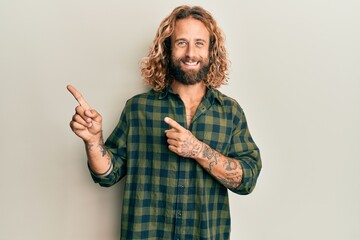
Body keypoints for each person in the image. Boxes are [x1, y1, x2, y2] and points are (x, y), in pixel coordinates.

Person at [68, 5, 261, 240]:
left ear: (211, 51)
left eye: (199, 43)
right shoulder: (138, 108)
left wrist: (198, 150)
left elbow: (247, 179)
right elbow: (107, 175)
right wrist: (93, 141)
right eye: (181, 42)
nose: (191, 53)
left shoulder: (229, 112)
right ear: (167, 48)